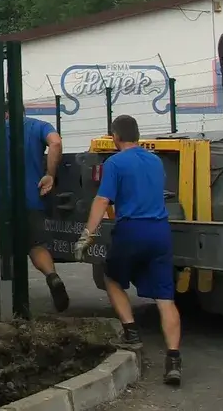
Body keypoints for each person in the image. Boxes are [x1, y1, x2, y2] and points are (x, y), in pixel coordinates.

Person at [74, 114, 181, 386]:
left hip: (131, 229)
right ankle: (173, 360)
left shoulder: (115, 163)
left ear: (115, 136)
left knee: (110, 277)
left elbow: (102, 200)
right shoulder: (155, 161)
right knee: (165, 298)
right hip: (160, 231)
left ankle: (131, 332)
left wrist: (87, 235)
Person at [0, 94, 70, 312]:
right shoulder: (40, 126)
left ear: (4, 114)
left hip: (3, 201)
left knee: (9, 249)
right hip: (33, 200)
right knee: (36, 245)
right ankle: (52, 277)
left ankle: (12, 299)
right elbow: (56, 143)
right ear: (23, 112)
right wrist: (50, 174)